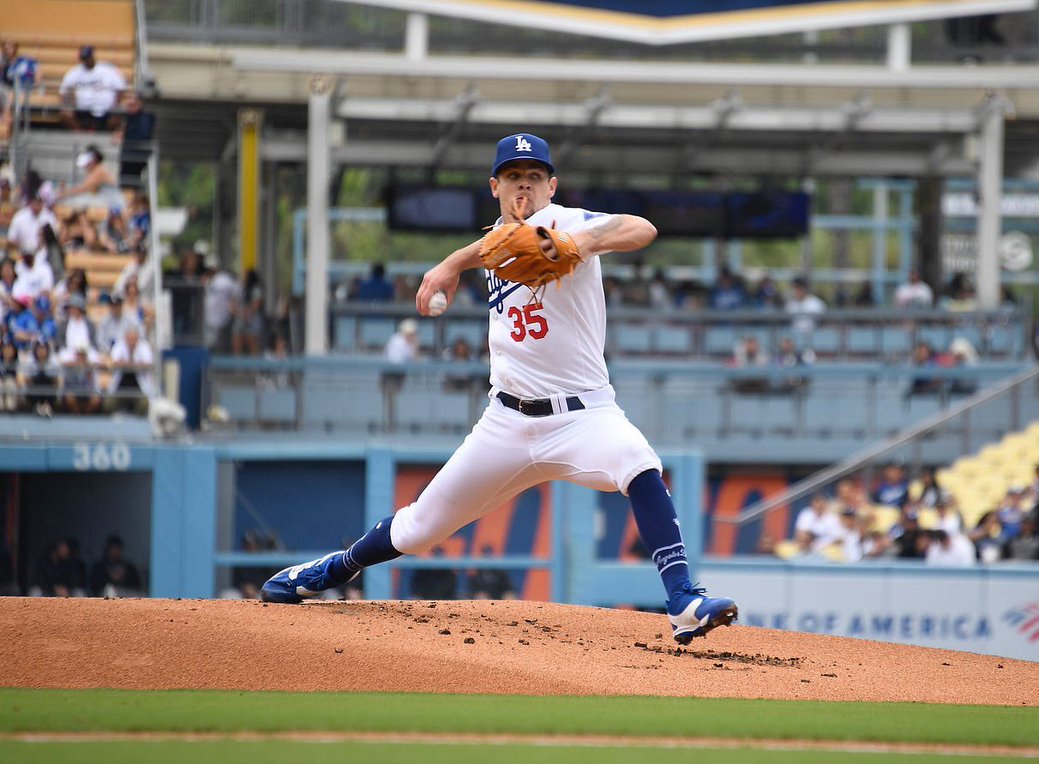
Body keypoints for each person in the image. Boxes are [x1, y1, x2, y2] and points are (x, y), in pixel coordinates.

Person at [260, 132, 737, 644]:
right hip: (506, 423)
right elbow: (489, 245)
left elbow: (641, 228)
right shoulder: (498, 240)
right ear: (496, 187)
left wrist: (580, 244)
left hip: (582, 415)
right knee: (420, 528)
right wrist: (450, 265)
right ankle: (334, 569)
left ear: (552, 186)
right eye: (514, 178)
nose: (524, 187)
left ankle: (684, 601)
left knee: (638, 462)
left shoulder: (567, 222)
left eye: (534, 177)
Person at [59, 45, 127, 132]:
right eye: (84, 58)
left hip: (106, 109)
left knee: (118, 114)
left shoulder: (108, 69)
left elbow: (120, 88)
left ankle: (105, 134)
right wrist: (70, 102)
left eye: (88, 58)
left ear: (93, 56)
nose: (87, 61)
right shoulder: (74, 72)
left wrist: (115, 104)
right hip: (82, 109)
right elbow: (63, 91)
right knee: (65, 114)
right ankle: (80, 134)